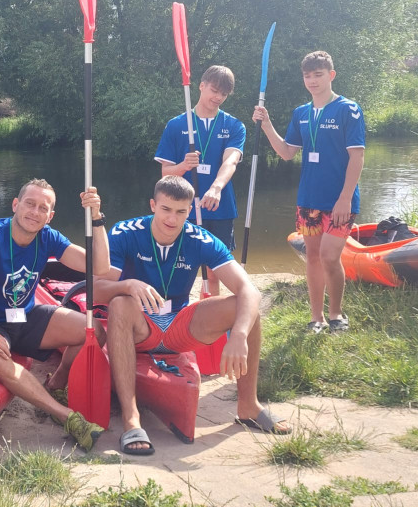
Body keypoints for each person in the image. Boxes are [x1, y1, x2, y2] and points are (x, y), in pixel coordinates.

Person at [98, 176, 291, 456]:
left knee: (245, 308)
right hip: (138, 326)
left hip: (178, 325)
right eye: (165, 209)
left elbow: (249, 289)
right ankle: (131, 419)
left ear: (190, 211)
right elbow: (98, 291)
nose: (172, 219)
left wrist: (238, 335)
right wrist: (128, 285)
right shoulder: (125, 232)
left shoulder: (199, 238)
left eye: (181, 212)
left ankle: (249, 405)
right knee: (118, 304)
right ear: (153, 205)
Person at [0, 178, 110, 451]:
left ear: (50, 216)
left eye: (43, 208)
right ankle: (65, 415)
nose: (35, 212)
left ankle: (59, 379)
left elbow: (99, 266)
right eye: (29, 204)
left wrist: (97, 217)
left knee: (94, 330)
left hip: (27, 317)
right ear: (16, 204)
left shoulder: (48, 237)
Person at [252, 50, 365, 333]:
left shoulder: (347, 109)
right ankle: (317, 318)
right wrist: (266, 125)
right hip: (309, 199)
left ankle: (337, 314)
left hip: (340, 199)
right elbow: (287, 152)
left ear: (331, 75)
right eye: (307, 75)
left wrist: (345, 198)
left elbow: (357, 157)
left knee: (329, 256)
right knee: (313, 257)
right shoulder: (301, 113)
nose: (312, 80)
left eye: (318, 74)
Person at [155, 65, 245, 296]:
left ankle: (210, 313)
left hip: (219, 207)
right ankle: (174, 314)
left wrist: (216, 188)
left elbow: (231, 161)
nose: (217, 97)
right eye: (214, 90)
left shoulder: (234, 125)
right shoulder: (177, 124)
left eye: (223, 94)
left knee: (214, 269)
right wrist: (183, 166)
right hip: (182, 208)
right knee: (179, 266)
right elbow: (166, 173)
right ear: (201, 86)